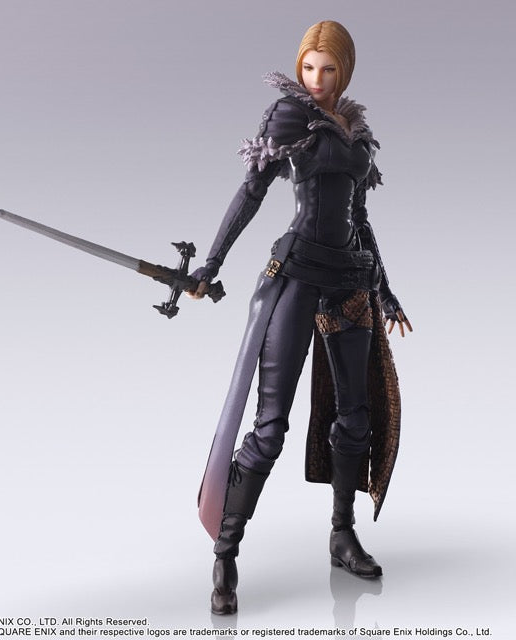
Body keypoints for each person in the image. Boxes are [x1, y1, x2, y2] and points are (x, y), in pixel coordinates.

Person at [189, 20, 412, 615]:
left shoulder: (357, 133)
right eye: (309, 67)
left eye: (328, 69)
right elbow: (251, 190)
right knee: (270, 428)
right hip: (297, 274)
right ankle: (226, 553)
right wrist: (211, 262)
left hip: (350, 281)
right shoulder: (289, 117)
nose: (316, 79)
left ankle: (342, 535)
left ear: (345, 71)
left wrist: (386, 288)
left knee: (355, 417)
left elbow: (358, 219)